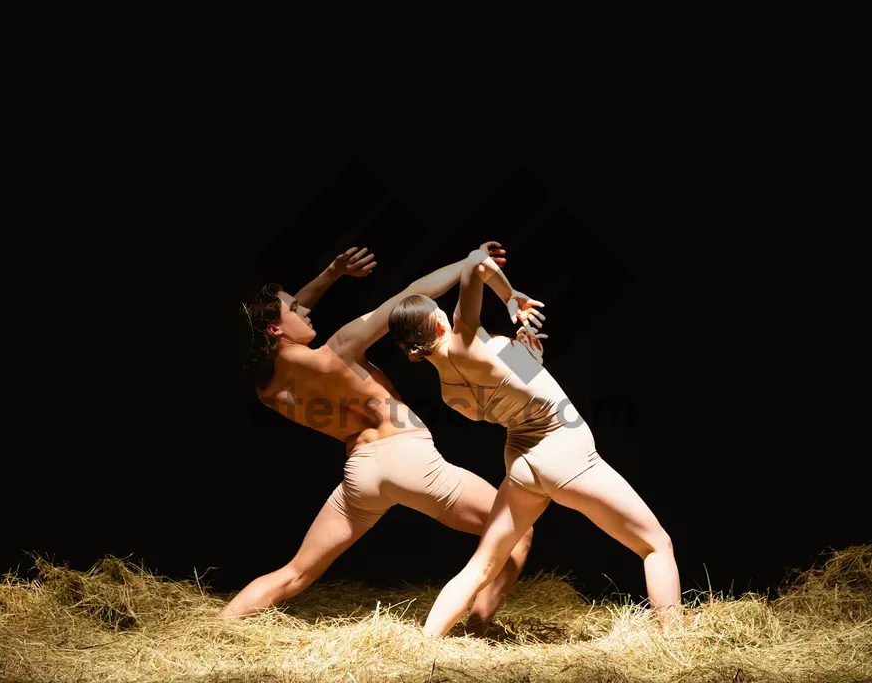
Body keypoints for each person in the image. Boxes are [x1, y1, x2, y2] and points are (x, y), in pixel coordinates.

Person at [219, 245, 533, 635]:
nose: (305, 308)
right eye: (295, 310)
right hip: (409, 459)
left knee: (295, 574)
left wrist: (331, 274)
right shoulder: (341, 347)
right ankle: (477, 628)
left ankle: (216, 629)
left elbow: (278, 325)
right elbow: (412, 295)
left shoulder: (268, 390)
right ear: (275, 329)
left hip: (361, 474)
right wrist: (467, 263)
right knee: (516, 531)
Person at [387, 244, 682, 636]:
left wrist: (527, 360)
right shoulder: (466, 336)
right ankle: (677, 644)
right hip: (562, 450)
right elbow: (477, 260)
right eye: (442, 312)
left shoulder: (447, 392)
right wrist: (510, 297)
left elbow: (507, 398)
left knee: (480, 566)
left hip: (522, 462)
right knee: (656, 544)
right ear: (440, 323)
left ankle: (424, 644)